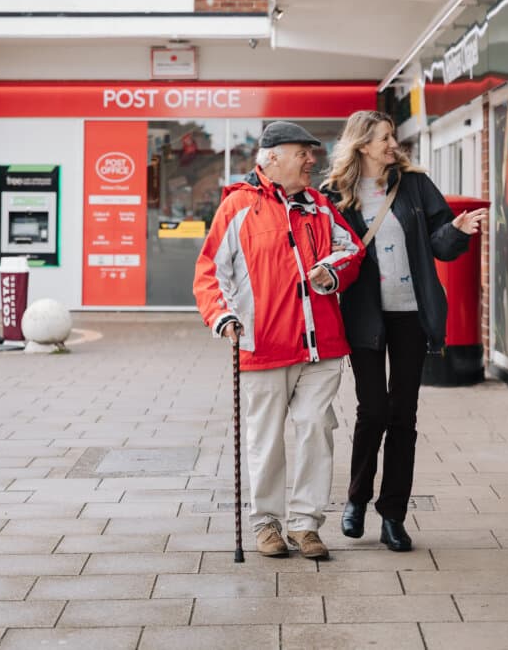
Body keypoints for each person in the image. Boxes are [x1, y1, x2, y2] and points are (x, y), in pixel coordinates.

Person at [193, 121, 365, 559]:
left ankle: (306, 525)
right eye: (302, 153)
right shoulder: (237, 207)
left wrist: (331, 271)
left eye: (312, 152)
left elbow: (352, 250)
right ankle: (266, 524)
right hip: (263, 344)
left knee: (315, 431)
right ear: (271, 157)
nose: (312, 160)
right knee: (266, 439)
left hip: (320, 346)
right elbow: (210, 273)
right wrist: (224, 316)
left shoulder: (321, 206)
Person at [321, 111, 487, 552]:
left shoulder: (414, 185)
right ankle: (356, 499)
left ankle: (393, 514)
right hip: (365, 316)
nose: (393, 144)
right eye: (384, 138)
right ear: (361, 145)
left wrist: (455, 229)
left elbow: (437, 240)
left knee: (403, 416)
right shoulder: (335, 195)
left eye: (393, 136)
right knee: (373, 410)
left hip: (412, 315)